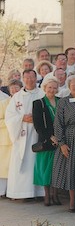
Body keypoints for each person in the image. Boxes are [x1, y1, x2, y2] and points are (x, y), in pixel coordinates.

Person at [5, 70, 45, 199]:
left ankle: (37, 193)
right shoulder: (17, 96)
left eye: (32, 78)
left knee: (35, 162)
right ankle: (19, 193)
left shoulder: (42, 93)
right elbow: (9, 116)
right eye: (26, 78)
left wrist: (36, 118)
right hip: (21, 134)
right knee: (20, 163)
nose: (29, 80)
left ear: (36, 78)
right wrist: (22, 118)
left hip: (36, 133)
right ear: (23, 79)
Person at [52, 74, 75, 212]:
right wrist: (61, 143)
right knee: (72, 170)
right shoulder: (63, 102)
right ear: (69, 86)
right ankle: (72, 201)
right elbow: (58, 124)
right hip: (71, 138)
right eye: (73, 85)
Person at [32, 77, 59, 206]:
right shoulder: (39, 103)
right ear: (45, 88)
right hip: (46, 140)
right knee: (45, 169)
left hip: (60, 140)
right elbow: (38, 124)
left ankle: (55, 195)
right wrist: (50, 136)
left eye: (54, 88)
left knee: (56, 168)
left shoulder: (61, 101)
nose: (52, 90)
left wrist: (59, 136)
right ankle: (47, 195)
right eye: (50, 87)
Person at [0, 80, 19, 197]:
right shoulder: (4, 102)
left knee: (15, 167)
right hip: (6, 139)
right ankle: (2, 191)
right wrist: (11, 122)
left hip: (18, 139)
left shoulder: (22, 102)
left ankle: (13, 191)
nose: (14, 90)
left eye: (17, 88)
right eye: (12, 88)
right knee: (4, 167)